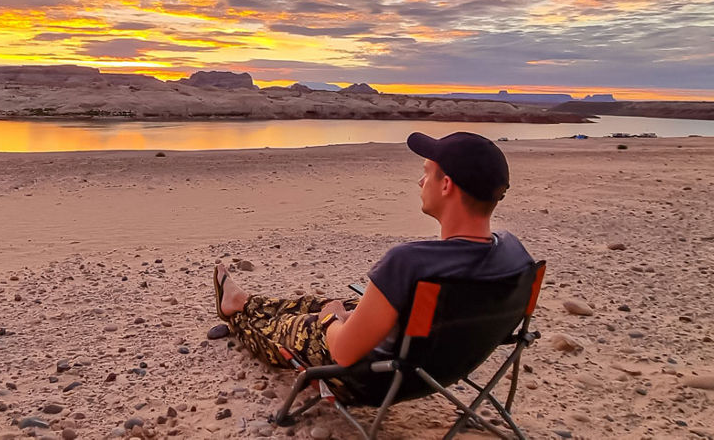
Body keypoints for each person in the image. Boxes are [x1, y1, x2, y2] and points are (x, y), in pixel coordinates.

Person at [212, 131, 533, 398]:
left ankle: (236, 313)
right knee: (332, 303)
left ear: (446, 185)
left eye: (425, 173)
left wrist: (329, 320)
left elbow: (345, 353)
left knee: (292, 325)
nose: (420, 183)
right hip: (434, 368)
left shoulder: (409, 262)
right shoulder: (515, 255)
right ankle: (245, 301)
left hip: (374, 380)